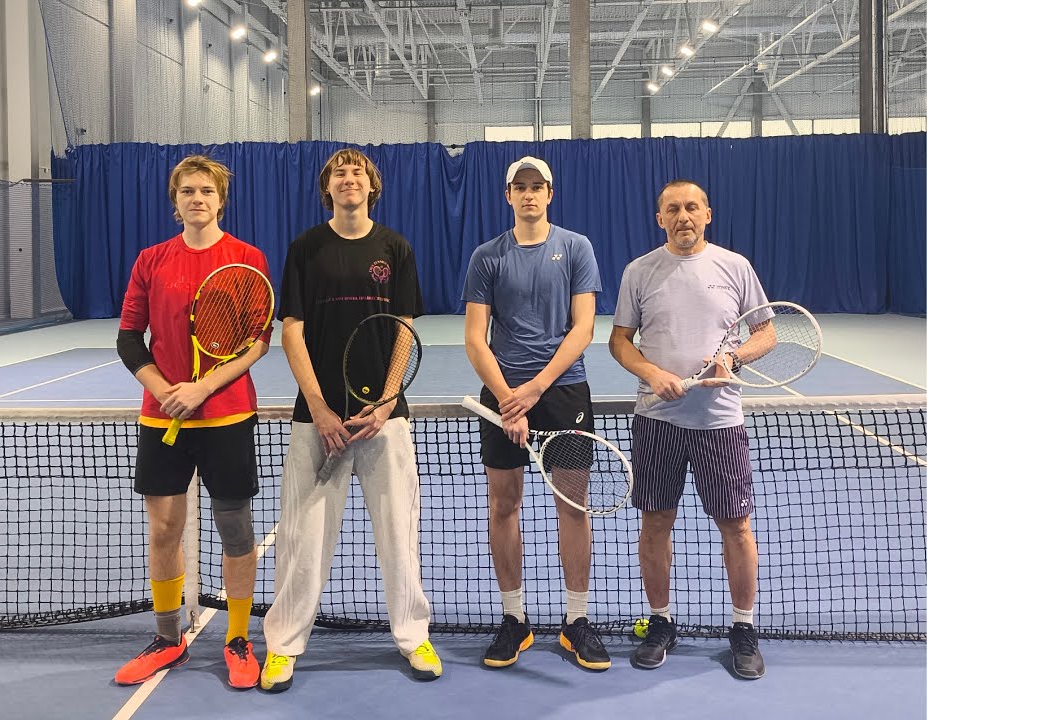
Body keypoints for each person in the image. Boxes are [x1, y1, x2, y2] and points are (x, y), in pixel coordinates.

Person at [259, 148, 439, 692]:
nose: (349, 178)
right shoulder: (305, 249)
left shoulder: (395, 248)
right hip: (318, 420)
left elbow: (404, 328)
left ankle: (414, 636)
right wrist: (318, 407)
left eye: (357, 171)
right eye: (339, 172)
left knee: (399, 533)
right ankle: (283, 646)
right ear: (327, 188)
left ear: (371, 185)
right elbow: (292, 330)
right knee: (302, 537)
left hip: (387, 421)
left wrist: (386, 401)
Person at [113, 155, 272, 690]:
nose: (197, 198)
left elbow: (257, 341)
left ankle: (238, 639)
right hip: (162, 420)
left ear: (221, 200)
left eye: (207, 190)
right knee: (164, 529)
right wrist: (164, 392)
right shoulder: (151, 260)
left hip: (228, 416)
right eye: (187, 191)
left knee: (236, 529)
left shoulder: (247, 259)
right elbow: (129, 337)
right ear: (175, 200)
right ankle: (167, 638)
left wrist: (203, 388)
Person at [608, 178, 769, 680]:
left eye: (692, 207)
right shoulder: (639, 271)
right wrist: (651, 372)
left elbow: (766, 332)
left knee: (736, 525)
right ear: (660, 219)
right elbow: (619, 341)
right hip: (657, 421)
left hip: (720, 421)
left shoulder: (735, 266)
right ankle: (661, 622)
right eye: (673, 209)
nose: (684, 216)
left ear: (707, 214)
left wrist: (733, 359)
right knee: (655, 523)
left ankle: (743, 627)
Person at [461, 156, 608, 671]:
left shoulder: (576, 248)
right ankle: (514, 619)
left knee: (573, 505)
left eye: (536, 186)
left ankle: (576, 622)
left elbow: (583, 328)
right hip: (501, 397)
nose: (528, 194)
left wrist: (535, 389)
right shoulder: (487, 257)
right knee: (503, 505)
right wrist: (508, 398)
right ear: (508, 196)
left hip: (563, 393)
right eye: (519, 187)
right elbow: (475, 338)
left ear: (550, 194)